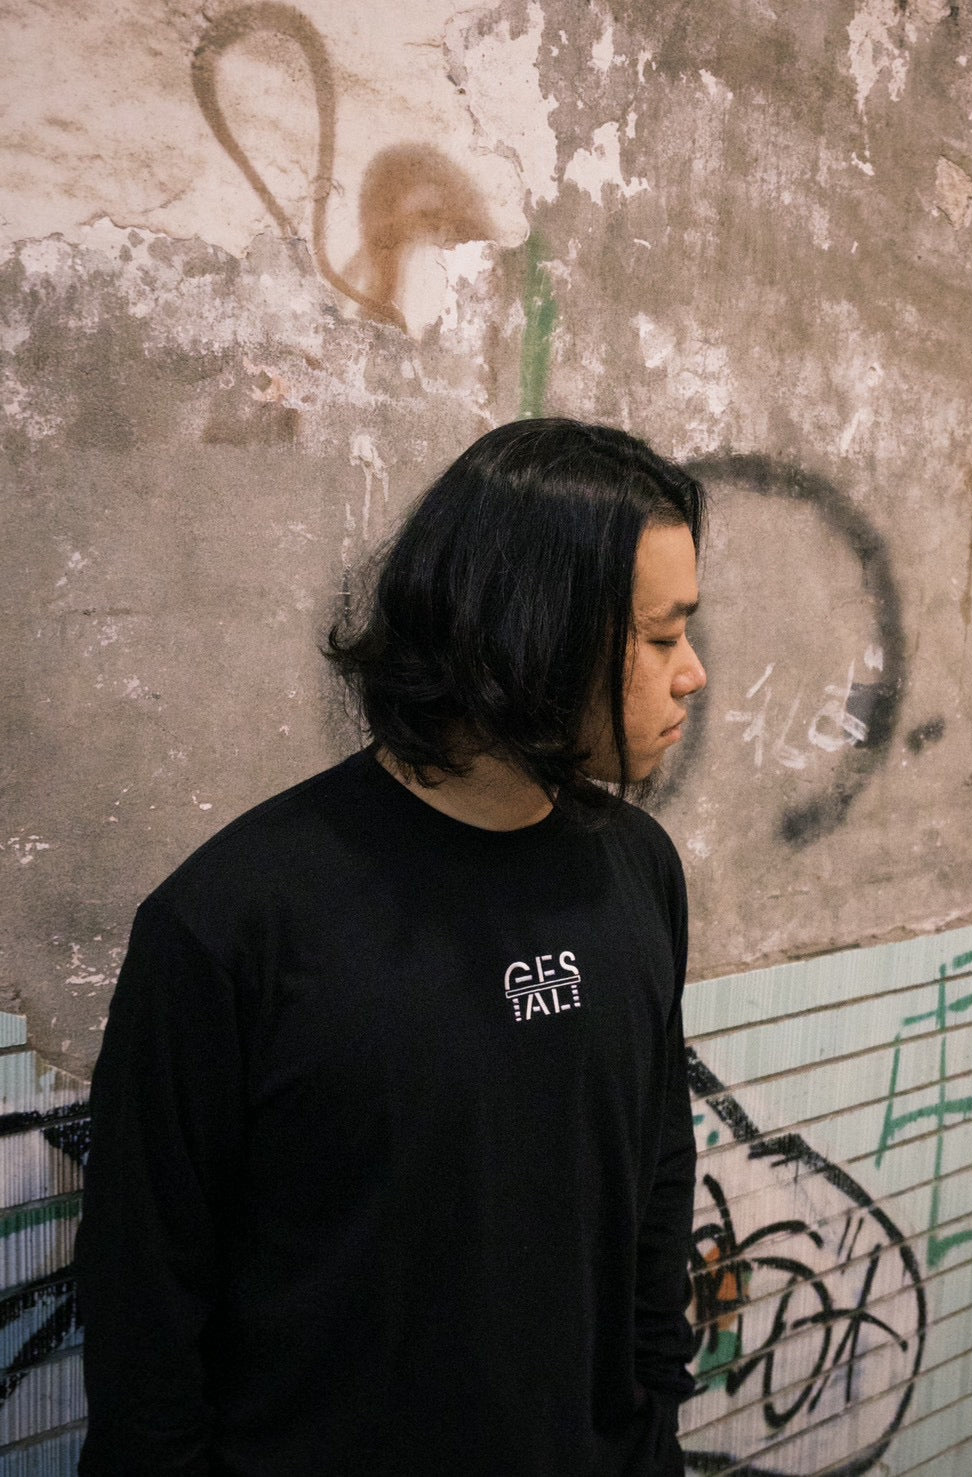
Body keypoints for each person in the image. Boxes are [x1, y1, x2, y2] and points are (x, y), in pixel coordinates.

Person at [76, 418, 708, 1477]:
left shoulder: (638, 869)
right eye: (659, 638)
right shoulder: (233, 922)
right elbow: (147, 1313)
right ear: (531, 633)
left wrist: (653, 1429)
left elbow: (654, 1179)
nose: (692, 673)